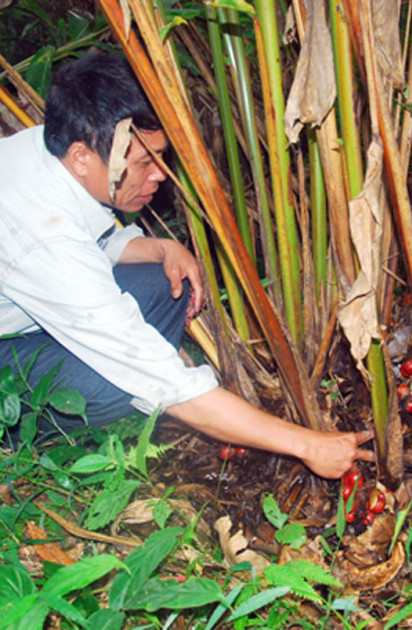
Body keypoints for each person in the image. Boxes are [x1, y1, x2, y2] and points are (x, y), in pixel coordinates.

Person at [0, 51, 374, 478]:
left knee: (162, 283)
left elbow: (90, 239)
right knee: (118, 384)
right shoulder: (39, 235)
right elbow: (162, 381)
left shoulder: (51, 149)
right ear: (83, 157)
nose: (160, 176)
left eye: (161, 159)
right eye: (145, 163)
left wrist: (159, 247)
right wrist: (306, 444)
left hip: (21, 312)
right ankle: (12, 433)